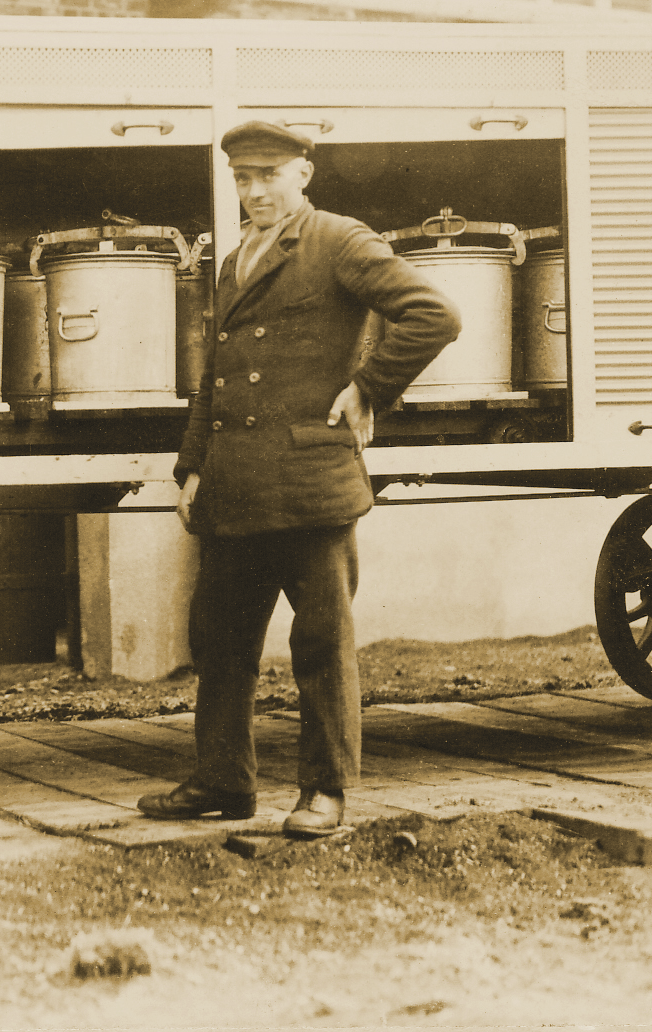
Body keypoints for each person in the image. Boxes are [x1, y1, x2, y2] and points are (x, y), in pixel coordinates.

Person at [138, 121, 460, 837]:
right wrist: (192, 467)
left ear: (303, 174)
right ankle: (223, 778)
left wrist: (369, 387)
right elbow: (212, 380)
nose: (255, 192)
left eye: (269, 176)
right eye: (242, 179)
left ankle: (327, 791)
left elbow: (435, 314)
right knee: (220, 643)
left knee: (320, 645)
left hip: (310, 482)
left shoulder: (339, 239)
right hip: (235, 487)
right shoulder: (236, 260)